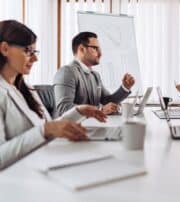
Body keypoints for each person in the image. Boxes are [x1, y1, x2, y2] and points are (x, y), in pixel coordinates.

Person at [0, 20, 106, 170]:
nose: (35, 59)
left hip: (45, 164)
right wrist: (45, 130)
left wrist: (78, 111)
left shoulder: (25, 88)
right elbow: (44, 130)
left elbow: (49, 127)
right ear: (5, 49)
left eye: (34, 52)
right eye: (28, 51)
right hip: (20, 179)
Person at [53, 32, 135, 116]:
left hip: (91, 125)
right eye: (95, 48)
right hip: (71, 127)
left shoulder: (95, 75)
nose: (100, 54)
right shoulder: (66, 72)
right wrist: (100, 110)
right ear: (81, 49)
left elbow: (107, 101)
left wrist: (125, 87)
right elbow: (64, 108)